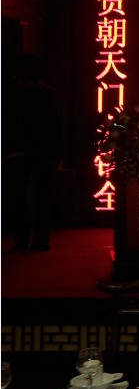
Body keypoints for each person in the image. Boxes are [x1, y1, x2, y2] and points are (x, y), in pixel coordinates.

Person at [3, 53, 63, 251]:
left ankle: (21, 240)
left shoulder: (10, 93)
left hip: (17, 151)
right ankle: (41, 240)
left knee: (17, 198)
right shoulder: (48, 94)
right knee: (42, 197)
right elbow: (56, 126)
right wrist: (58, 154)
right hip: (43, 151)